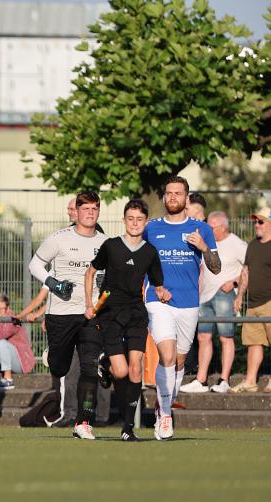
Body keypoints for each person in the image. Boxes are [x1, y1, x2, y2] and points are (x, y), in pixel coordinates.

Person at [85, 199, 169, 441]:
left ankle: (127, 428)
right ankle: (106, 364)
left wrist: (163, 292)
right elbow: (90, 272)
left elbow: (157, 283)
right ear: (124, 220)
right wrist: (90, 304)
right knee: (120, 372)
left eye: (140, 219)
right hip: (110, 313)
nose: (135, 223)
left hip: (135, 313)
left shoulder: (150, 252)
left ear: (145, 222)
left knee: (135, 370)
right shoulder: (110, 246)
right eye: (130, 219)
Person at [143, 176, 220, 440]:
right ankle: (165, 414)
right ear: (164, 197)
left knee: (178, 361)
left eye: (178, 193)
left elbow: (216, 267)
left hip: (189, 303)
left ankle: (162, 405)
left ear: (187, 198)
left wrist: (203, 247)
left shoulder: (202, 229)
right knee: (166, 355)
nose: (173, 197)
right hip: (158, 299)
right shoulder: (150, 228)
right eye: (169, 193)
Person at [28, 191, 107, 440]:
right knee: (60, 367)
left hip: (90, 313)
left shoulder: (106, 242)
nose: (90, 213)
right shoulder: (59, 239)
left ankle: (83, 422)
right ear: (77, 212)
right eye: (86, 209)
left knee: (89, 367)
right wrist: (53, 283)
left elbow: (111, 272)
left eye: (95, 209)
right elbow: (34, 265)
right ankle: (53, 355)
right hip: (60, 314)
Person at [181, 211, 247, 394]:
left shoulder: (237, 244)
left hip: (224, 295)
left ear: (223, 227)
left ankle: (224, 379)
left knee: (226, 337)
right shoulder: (206, 242)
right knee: (203, 337)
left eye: (210, 227)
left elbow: (249, 268)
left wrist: (233, 283)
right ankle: (201, 380)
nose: (206, 230)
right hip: (204, 296)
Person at [231, 206, 271, 393]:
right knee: (253, 343)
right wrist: (240, 295)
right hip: (253, 304)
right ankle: (250, 381)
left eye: (261, 221)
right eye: (255, 221)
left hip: (270, 302)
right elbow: (245, 271)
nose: (256, 225)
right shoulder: (253, 245)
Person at [0, 295, 34, 390]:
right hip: (9, 361)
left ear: (7, 309)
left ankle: (8, 379)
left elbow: (0, 336)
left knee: (0, 343)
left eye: (1, 309)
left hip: (22, 362)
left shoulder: (13, 320)